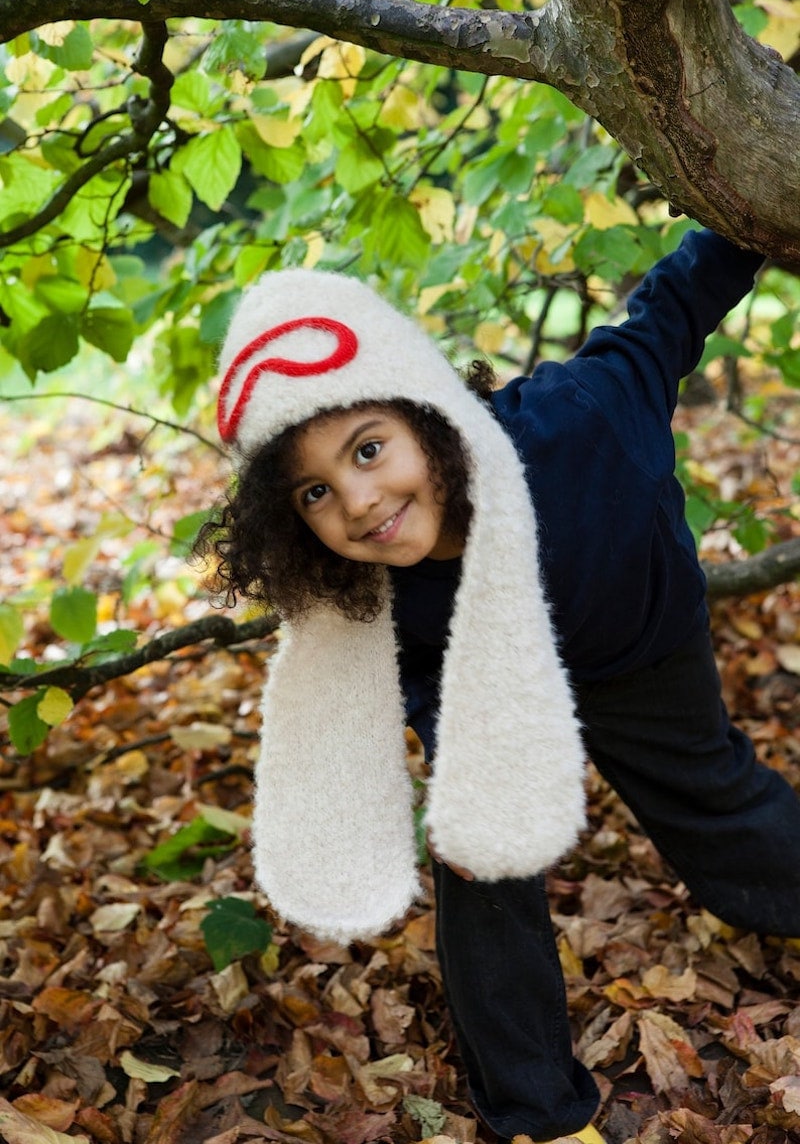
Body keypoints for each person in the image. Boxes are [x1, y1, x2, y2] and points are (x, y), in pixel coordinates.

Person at [203, 227, 800, 1144]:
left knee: (717, 807)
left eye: (368, 450)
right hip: (480, 681)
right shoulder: (368, 588)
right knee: (481, 864)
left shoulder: (583, 419)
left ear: (430, 417)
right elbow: (408, 677)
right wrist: (456, 755)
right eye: (313, 493)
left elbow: (669, 312)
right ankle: (536, 1111)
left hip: (639, 646)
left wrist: (745, 216)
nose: (357, 502)